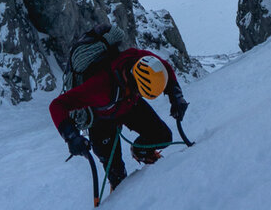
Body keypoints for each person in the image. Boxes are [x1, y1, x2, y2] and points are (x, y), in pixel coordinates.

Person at [49, 44, 189, 190]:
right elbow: (58, 105)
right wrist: (71, 137)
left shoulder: (140, 59)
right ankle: (120, 204)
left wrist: (176, 95)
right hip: (101, 122)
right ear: (134, 83)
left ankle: (141, 151)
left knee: (162, 136)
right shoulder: (99, 87)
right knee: (118, 179)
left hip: (128, 104)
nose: (140, 95)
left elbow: (163, 67)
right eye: (140, 92)